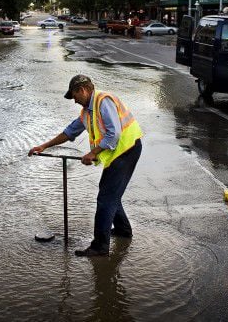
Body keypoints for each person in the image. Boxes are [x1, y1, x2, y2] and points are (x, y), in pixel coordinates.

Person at [28, 75, 143, 257]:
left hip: (127, 150)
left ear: (83, 90)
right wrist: (44, 146)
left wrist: (93, 153)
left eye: (74, 96)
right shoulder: (87, 112)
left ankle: (99, 247)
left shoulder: (103, 101)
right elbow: (69, 132)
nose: (74, 101)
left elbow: (114, 135)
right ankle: (123, 230)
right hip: (119, 152)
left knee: (106, 198)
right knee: (110, 193)